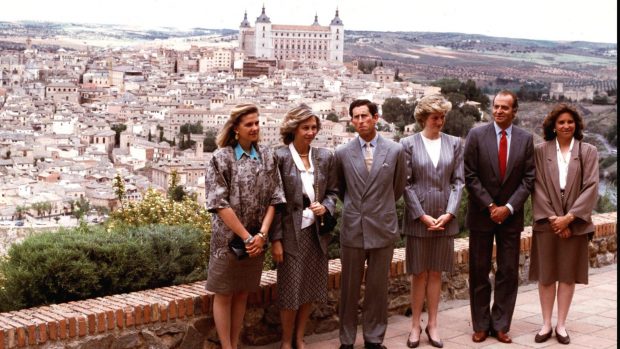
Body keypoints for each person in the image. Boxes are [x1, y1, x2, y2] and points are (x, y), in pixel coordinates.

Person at [204, 104, 285, 349]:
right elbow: (218, 203)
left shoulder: (267, 155)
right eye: (248, 124)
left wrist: (262, 235)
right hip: (227, 240)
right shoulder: (221, 158)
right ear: (235, 128)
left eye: (257, 123)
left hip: (256, 241)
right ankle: (226, 347)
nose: (255, 128)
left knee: (242, 293)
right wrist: (248, 237)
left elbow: (275, 196)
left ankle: (235, 343)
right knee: (224, 292)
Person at [464, 90, 535, 344]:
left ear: (514, 111)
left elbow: (528, 179)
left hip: (511, 218)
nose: (499, 111)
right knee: (479, 270)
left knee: (507, 272)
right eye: (496, 106)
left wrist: (509, 208)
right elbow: (469, 175)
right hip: (482, 215)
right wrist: (491, 206)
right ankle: (481, 325)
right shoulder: (475, 135)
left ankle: (502, 325)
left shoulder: (526, 139)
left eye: (505, 107)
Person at [335, 99, 407, 349]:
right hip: (353, 227)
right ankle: (346, 340)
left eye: (365, 116)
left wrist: (379, 207)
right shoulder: (342, 153)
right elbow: (340, 189)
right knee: (349, 289)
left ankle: (374, 339)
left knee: (378, 288)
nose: (360, 121)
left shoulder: (395, 150)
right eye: (355, 117)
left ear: (376, 118)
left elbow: (397, 188)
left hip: (383, 226)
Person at [270, 104, 338, 349]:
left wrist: (326, 207)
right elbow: (273, 201)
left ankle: (299, 337)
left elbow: (333, 191)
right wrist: (275, 240)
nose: (311, 132)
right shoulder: (279, 157)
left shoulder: (324, 156)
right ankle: (286, 341)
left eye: (313, 127)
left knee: (310, 286)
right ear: (294, 128)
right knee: (290, 289)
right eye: (305, 127)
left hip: (316, 234)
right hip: (291, 234)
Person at [529, 104, 599, 345]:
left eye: (570, 122)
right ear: (553, 126)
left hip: (575, 223)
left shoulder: (588, 151)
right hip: (547, 222)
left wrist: (569, 218)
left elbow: (591, 186)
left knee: (567, 275)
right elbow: (536, 186)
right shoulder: (540, 150)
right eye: (561, 122)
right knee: (546, 275)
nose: (566, 126)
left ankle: (561, 325)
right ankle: (546, 323)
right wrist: (554, 220)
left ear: (577, 125)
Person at [400, 95, 464, 348]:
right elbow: (405, 183)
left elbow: (458, 182)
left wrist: (450, 213)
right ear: (423, 118)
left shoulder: (456, 143)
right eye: (435, 117)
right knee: (418, 273)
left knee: (436, 272)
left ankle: (433, 324)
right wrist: (421, 215)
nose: (440, 121)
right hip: (419, 219)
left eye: (442, 116)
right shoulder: (408, 144)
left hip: (444, 219)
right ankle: (415, 325)